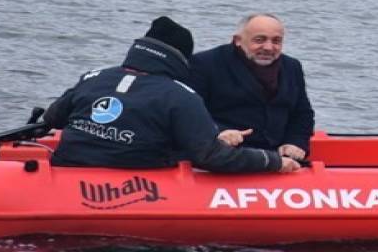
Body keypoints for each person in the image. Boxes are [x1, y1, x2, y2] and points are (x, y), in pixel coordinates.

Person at [42, 16, 299, 173]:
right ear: (179, 59)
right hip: (135, 175)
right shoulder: (180, 96)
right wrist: (272, 161)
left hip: (70, 166)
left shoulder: (93, 77)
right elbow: (210, 156)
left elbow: (53, 118)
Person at [188, 13, 314, 163]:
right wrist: (218, 132)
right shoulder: (205, 64)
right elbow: (190, 113)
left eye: (276, 41)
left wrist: (295, 143)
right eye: (259, 40)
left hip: (279, 156)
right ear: (238, 41)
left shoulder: (292, 67)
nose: (268, 47)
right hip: (227, 155)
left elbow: (302, 114)